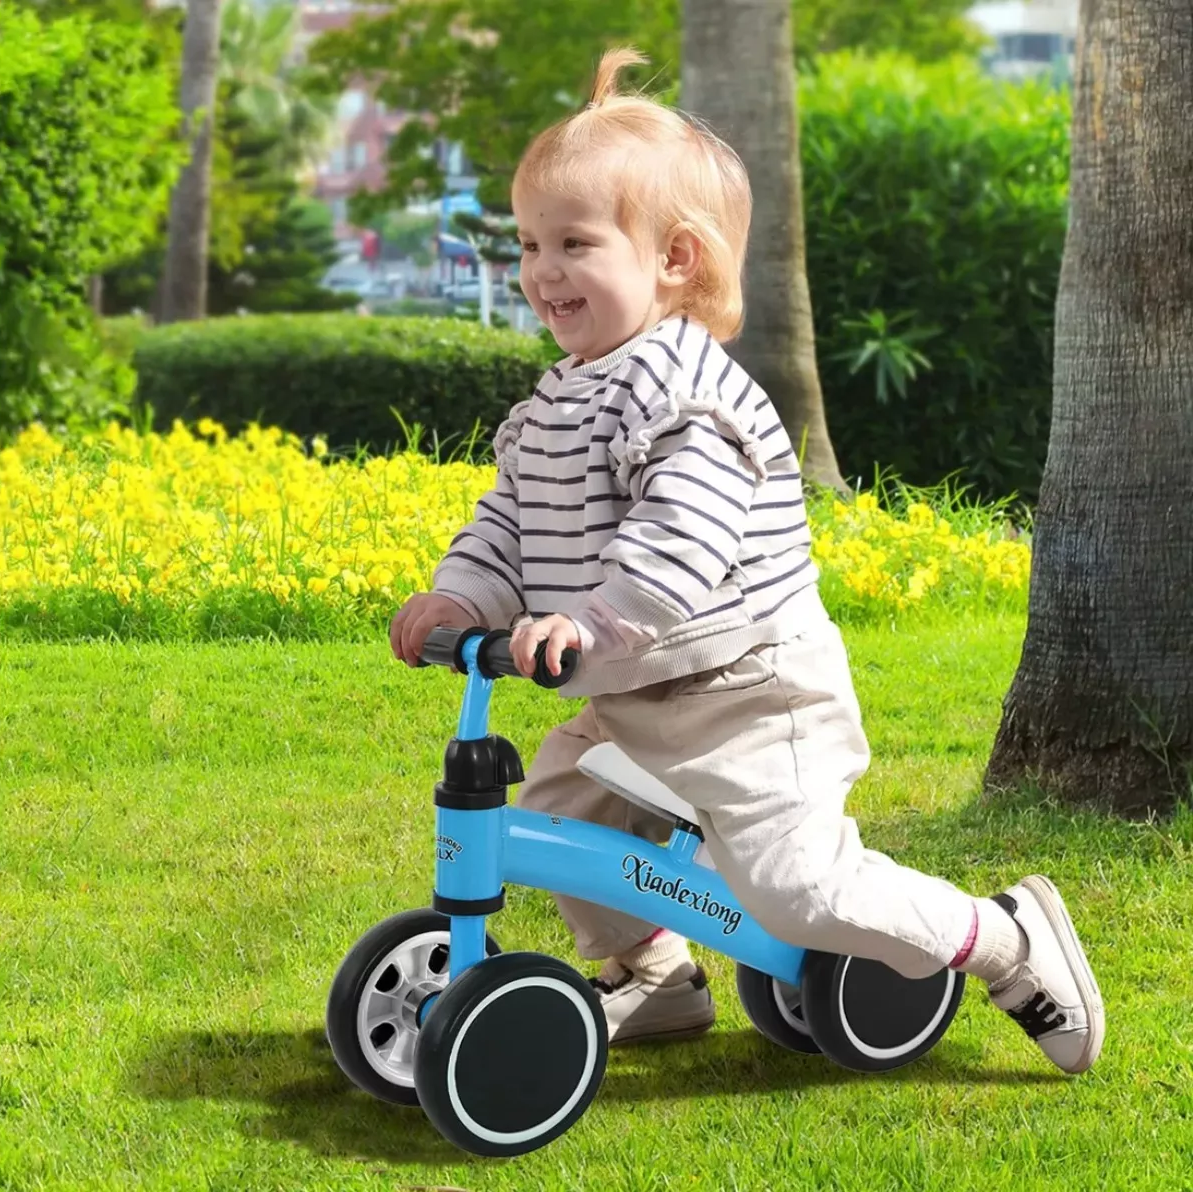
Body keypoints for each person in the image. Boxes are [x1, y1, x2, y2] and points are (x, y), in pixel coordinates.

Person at [389, 48, 1104, 1074]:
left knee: (797, 889)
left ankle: (1005, 938)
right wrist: (462, 593)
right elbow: (511, 518)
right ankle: (654, 972)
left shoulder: (692, 398)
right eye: (530, 242)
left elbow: (678, 542)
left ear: (674, 259)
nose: (541, 271)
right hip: (638, 691)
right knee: (558, 806)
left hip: (750, 696)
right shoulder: (561, 398)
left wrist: (584, 621)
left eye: (574, 242)